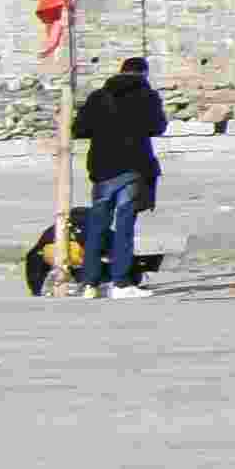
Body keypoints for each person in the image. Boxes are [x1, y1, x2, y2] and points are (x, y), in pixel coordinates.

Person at [74, 52, 166, 293]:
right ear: (144, 73)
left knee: (97, 224)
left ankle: (89, 282)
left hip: (102, 167)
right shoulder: (148, 97)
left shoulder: (98, 96)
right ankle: (120, 281)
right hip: (133, 167)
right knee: (125, 225)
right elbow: (158, 127)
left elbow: (79, 129)